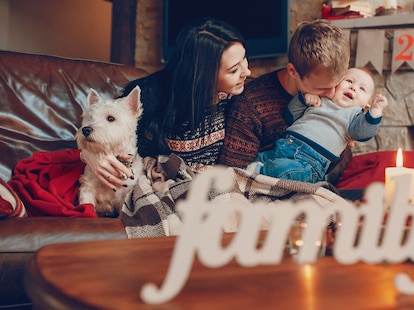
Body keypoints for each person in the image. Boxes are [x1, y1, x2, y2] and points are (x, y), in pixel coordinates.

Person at [81, 17, 251, 190]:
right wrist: (90, 155)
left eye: (245, 58)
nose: (247, 71)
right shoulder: (149, 95)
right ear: (202, 75)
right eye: (234, 70)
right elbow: (112, 132)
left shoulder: (242, 98)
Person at [217, 19, 351, 180]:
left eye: (337, 84)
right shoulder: (249, 107)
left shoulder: (336, 96)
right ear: (293, 71)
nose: (331, 94)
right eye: (321, 88)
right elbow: (233, 177)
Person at [252, 67, 387, 183]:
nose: (353, 87)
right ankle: (250, 168)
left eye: (362, 89)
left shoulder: (356, 116)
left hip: (310, 162)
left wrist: (375, 111)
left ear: (366, 106)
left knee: (283, 171)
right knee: (261, 156)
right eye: (349, 81)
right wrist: (304, 100)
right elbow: (291, 115)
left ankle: (260, 172)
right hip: (286, 144)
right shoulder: (321, 99)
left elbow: (362, 133)